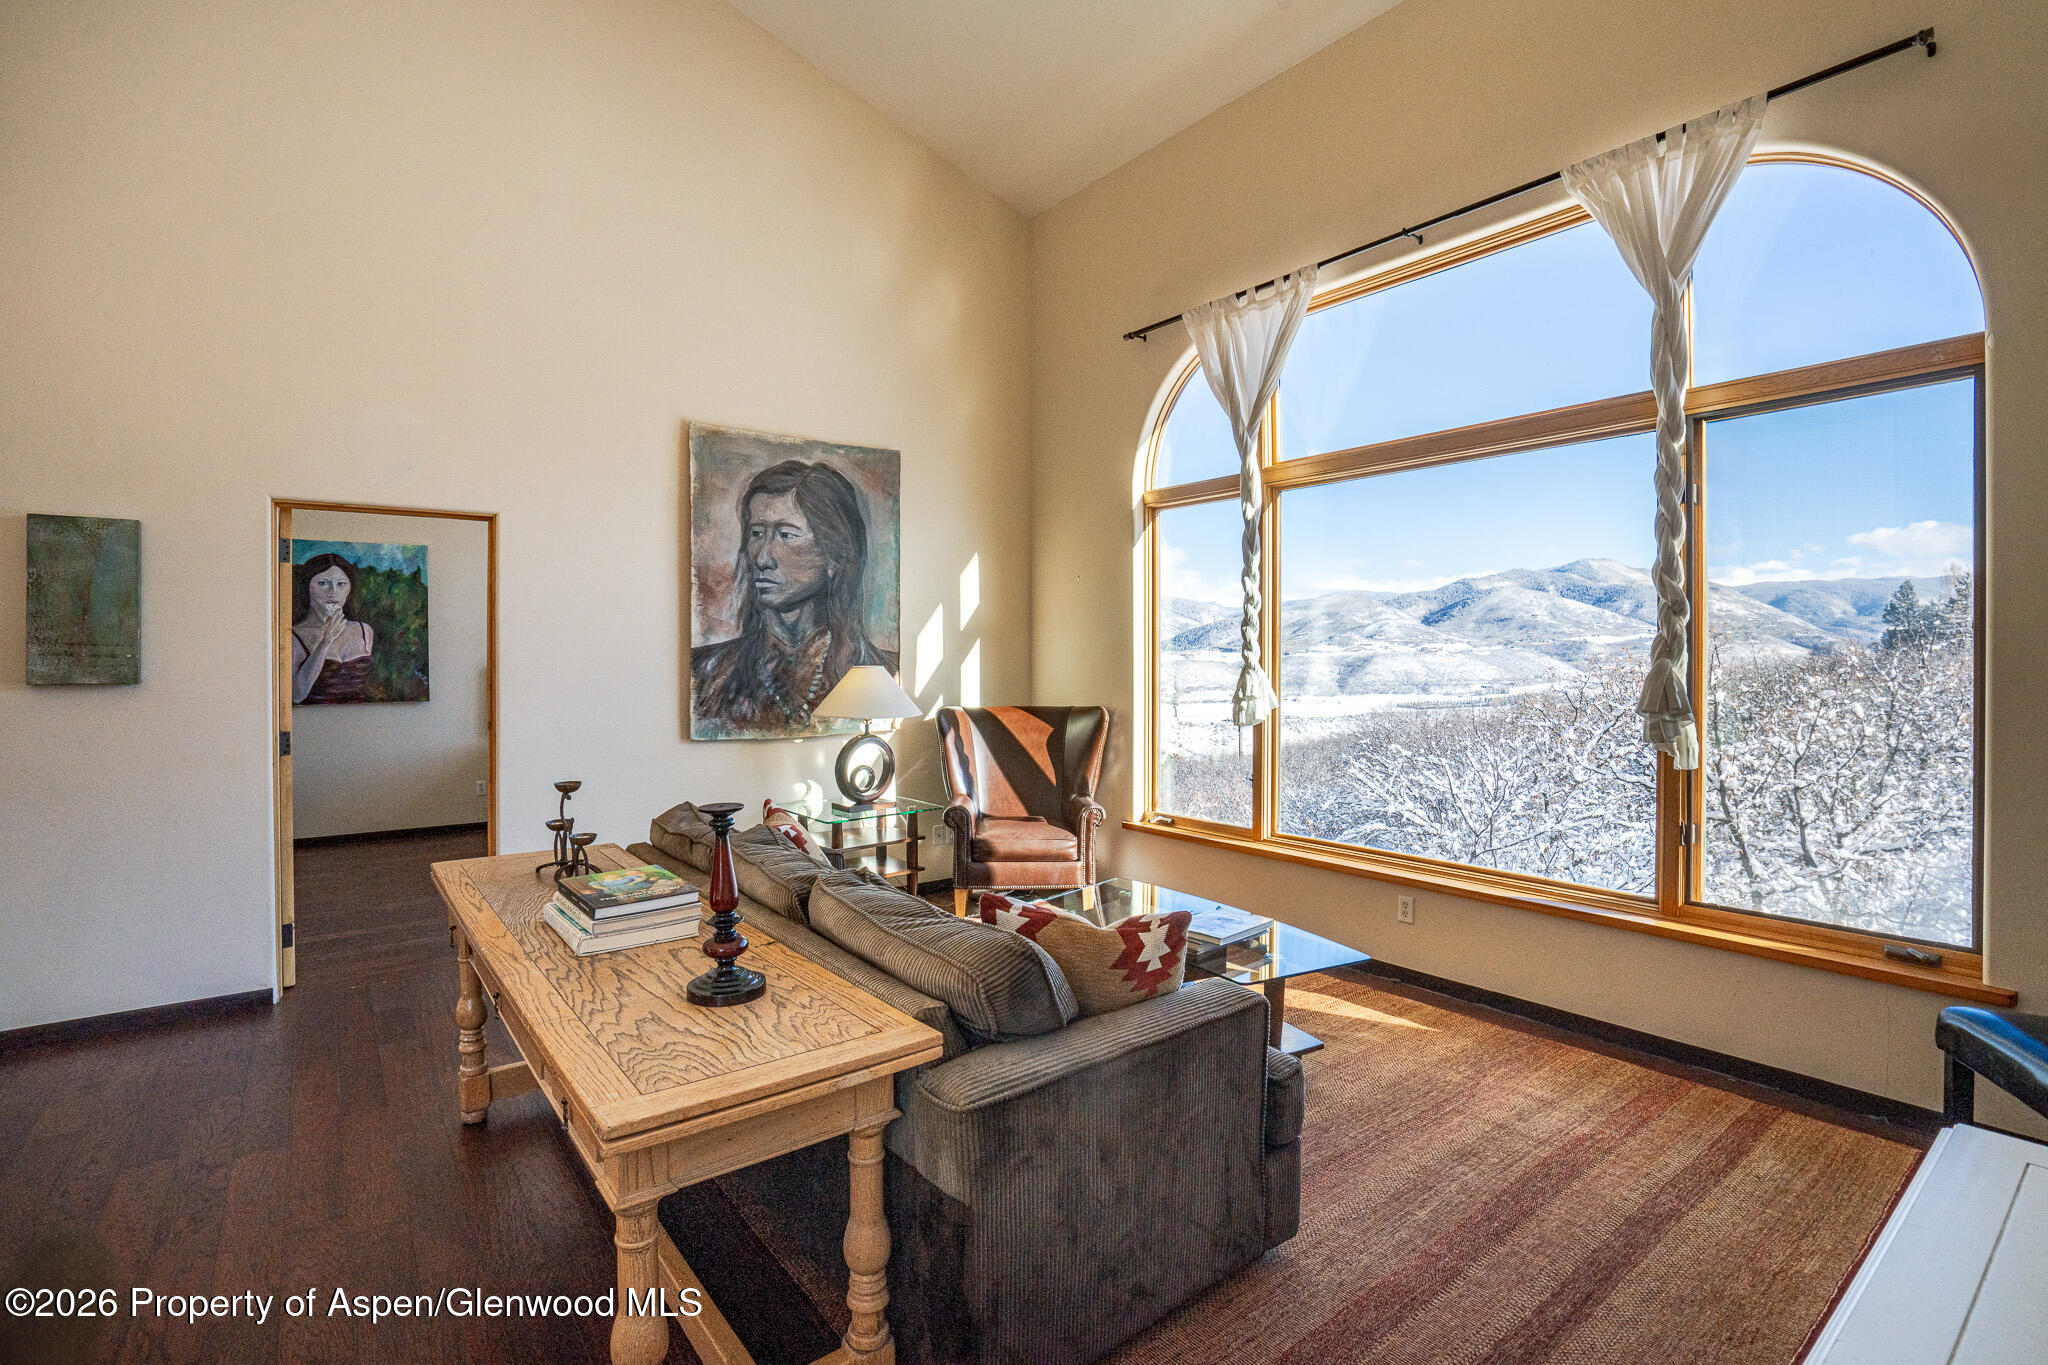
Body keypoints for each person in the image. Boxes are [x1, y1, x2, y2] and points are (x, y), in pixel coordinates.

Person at [692, 459, 896, 734]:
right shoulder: (705, 673)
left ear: (833, 555)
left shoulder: (884, 674)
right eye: (757, 533)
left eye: (786, 535)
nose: (763, 558)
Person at [291, 553, 375, 704]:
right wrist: (326, 641)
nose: (333, 592)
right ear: (307, 588)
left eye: (341, 584)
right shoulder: (294, 636)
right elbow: (297, 695)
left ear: (349, 589)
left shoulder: (364, 631)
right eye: (323, 583)